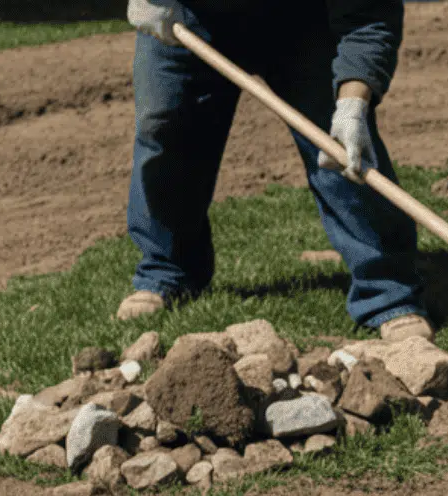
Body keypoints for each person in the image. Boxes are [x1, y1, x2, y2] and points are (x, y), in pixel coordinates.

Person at [120, 0, 432, 341]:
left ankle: (388, 293)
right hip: (192, 12)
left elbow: (369, 15)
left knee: (340, 147)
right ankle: (166, 270)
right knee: (164, 125)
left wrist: (352, 103)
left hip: (304, 18)